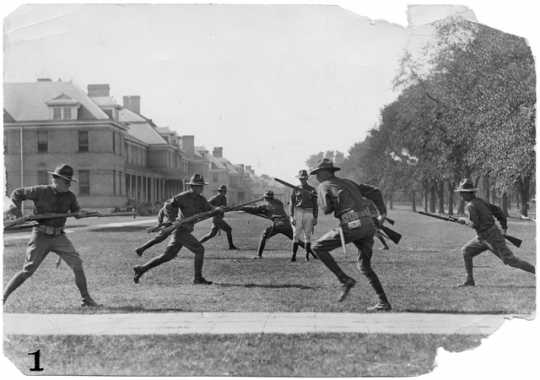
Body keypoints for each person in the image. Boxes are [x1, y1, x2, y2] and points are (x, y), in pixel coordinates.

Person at [3, 164, 100, 307]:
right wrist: (16, 212)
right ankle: (2, 298)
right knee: (27, 270)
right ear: (55, 179)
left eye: (69, 182)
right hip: (40, 235)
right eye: (65, 181)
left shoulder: (70, 196)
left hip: (59, 236)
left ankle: (87, 300)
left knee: (77, 265)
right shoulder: (41, 191)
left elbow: (76, 212)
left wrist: (86, 213)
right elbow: (17, 193)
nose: (68, 185)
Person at [310, 158, 391, 310]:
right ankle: (383, 302)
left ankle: (344, 280)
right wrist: (383, 213)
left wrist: (321, 199)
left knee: (317, 247)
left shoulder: (323, 186)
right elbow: (375, 192)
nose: (316, 177)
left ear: (325, 173)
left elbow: (327, 210)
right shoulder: (349, 182)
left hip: (352, 223)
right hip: (368, 224)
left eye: (318, 173)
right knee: (364, 267)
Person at [133, 174, 223, 285]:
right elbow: (168, 206)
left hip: (185, 230)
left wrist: (218, 209)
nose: (201, 188)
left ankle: (141, 269)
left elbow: (210, 209)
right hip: (180, 229)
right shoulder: (182, 197)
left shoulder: (201, 199)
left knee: (167, 256)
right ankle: (198, 278)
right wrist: (172, 219)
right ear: (192, 186)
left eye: (202, 186)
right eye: (198, 186)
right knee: (200, 250)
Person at [455, 178, 535, 286]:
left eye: (462, 193)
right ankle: (469, 280)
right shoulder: (481, 201)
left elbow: (476, 224)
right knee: (466, 251)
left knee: (510, 260)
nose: (461, 195)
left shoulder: (470, 206)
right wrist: (504, 227)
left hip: (491, 237)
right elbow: (498, 211)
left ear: (468, 193)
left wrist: (464, 221)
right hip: (483, 237)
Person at [240, 190, 305, 259]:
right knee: (296, 239)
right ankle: (312, 251)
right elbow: (270, 211)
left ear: (266, 198)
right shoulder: (279, 203)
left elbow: (255, 209)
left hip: (278, 224)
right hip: (286, 223)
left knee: (264, 235)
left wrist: (243, 208)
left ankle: (259, 255)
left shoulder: (265, 205)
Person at [290, 170, 318, 261]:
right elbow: (292, 203)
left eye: (304, 178)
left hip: (309, 212)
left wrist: (315, 217)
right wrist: (291, 216)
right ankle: (293, 256)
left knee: (307, 235)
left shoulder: (312, 189)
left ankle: (307, 256)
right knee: (295, 235)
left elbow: (315, 205)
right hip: (298, 212)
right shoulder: (295, 189)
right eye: (301, 178)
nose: (302, 180)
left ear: (307, 178)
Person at [199, 185, 238, 250]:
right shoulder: (215, 198)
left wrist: (228, 208)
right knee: (228, 229)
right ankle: (231, 246)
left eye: (224, 191)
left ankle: (197, 244)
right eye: (222, 191)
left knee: (211, 234)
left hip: (219, 218)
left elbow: (224, 207)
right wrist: (215, 208)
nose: (223, 192)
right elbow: (207, 204)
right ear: (219, 191)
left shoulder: (224, 198)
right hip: (216, 218)